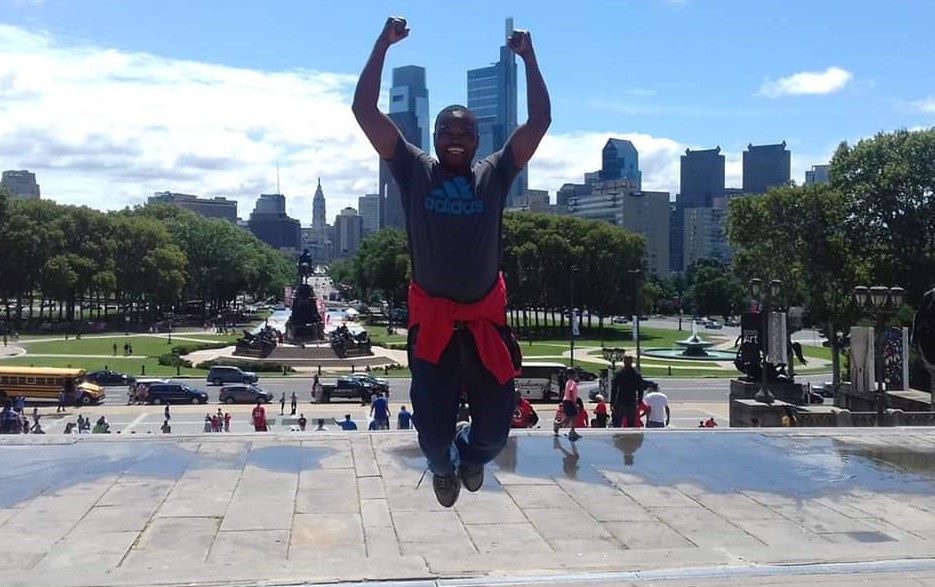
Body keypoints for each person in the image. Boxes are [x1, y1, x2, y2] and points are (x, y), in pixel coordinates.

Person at [353, 17, 550, 508]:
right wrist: (382, 44)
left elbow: (540, 122)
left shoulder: (496, 173)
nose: (455, 138)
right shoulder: (414, 169)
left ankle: (469, 458)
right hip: (435, 325)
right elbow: (363, 109)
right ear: (435, 135)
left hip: (484, 323)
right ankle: (443, 467)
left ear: (479, 139)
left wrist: (529, 57)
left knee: (493, 436)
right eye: (446, 130)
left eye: (464, 131)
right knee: (431, 437)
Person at [611, 355, 643, 428]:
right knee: (630, 425)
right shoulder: (636, 374)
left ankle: (617, 438)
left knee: (617, 424)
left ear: (624, 362)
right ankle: (629, 439)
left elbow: (614, 389)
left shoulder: (619, 373)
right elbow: (640, 389)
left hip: (621, 402)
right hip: (631, 402)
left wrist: (612, 402)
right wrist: (639, 401)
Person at [561, 368, 581, 441]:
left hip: (566, 400)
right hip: (570, 401)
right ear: (572, 375)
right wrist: (574, 403)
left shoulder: (568, 382)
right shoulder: (572, 382)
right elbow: (571, 391)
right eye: (575, 374)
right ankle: (572, 431)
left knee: (570, 416)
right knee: (574, 416)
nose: (576, 375)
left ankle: (559, 425)